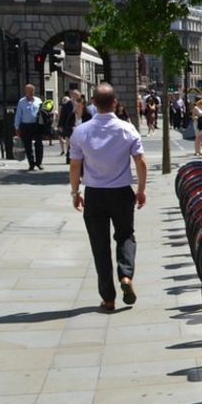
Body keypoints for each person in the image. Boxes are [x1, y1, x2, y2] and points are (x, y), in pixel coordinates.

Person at [68, 83, 148, 312]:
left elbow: (75, 165)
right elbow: (140, 161)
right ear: (115, 103)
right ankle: (125, 275)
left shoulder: (81, 132)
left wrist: (75, 192)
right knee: (125, 236)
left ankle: (108, 298)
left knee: (99, 245)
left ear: (93, 103)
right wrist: (141, 190)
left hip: (94, 194)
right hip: (121, 192)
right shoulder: (127, 129)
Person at [14, 84, 45, 170]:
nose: (31, 93)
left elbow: (43, 113)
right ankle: (31, 163)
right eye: (29, 91)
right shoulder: (21, 102)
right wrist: (17, 127)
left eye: (32, 91)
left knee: (39, 144)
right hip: (25, 125)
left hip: (36, 125)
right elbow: (18, 115)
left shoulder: (38, 100)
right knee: (27, 145)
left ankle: (39, 163)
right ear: (25, 92)